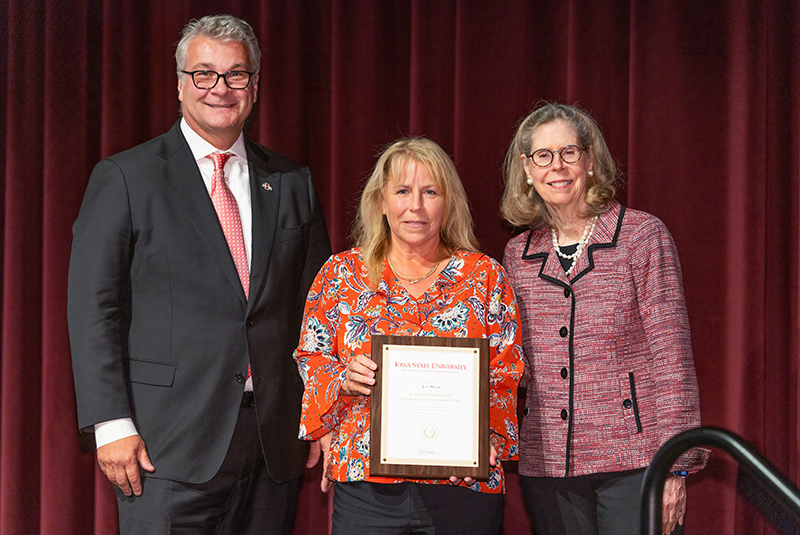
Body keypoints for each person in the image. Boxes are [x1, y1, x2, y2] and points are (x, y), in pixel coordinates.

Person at [67, 14, 331, 534]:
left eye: (236, 75)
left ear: (254, 88)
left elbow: (317, 309)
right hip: (163, 446)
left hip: (272, 443)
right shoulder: (126, 177)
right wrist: (110, 424)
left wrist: (320, 411)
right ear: (181, 85)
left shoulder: (291, 180)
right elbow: (93, 307)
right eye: (204, 74)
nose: (220, 89)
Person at [293, 137, 525, 535]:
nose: (415, 205)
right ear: (381, 202)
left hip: (463, 490)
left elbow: (505, 372)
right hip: (367, 493)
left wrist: (486, 440)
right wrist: (341, 381)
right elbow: (310, 357)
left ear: (447, 202)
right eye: (402, 191)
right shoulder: (339, 276)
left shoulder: (485, 278)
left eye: (430, 192)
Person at [500, 103, 708, 535]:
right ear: (526, 169)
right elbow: (513, 360)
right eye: (543, 155)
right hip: (548, 466)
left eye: (569, 152)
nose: (557, 166)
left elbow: (672, 359)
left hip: (635, 462)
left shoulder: (642, 236)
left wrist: (676, 466)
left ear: (591, 160)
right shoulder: (517, 255)